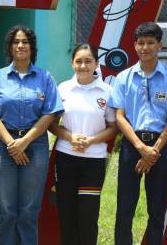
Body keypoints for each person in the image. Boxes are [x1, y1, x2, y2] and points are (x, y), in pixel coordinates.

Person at [0, 25, 63, 245]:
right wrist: (11, 143)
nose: (21, 46)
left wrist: (24, 142)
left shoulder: (45, 78)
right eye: (16, 42)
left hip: (35, 146)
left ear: (32, 47)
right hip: (3, 146)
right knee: (6, 208)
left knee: (29, 208)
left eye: (25, 41)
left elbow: (50, 113)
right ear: (10, 47)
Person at [107, 22, 167, 245]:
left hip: (159, 148)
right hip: (132, 146)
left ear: (159, 45)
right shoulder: (124, 77)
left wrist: (153, 151)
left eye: (150, 43)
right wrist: (141, 149)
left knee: (157, 208)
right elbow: (120, 117)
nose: (145, 47)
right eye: (141, 43)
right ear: (134, 46)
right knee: (125, 207)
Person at [49, 43, 117, 245]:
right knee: (67, 214)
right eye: (78, 61)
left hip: (93, 161)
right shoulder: (63, 88)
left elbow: (114, 127)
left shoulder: (107, 91)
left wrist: (91, 141)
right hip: (65, 158)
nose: (83, 66)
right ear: (72, 63)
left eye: (88, 61)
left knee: (88, 216)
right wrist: (70, 138)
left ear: (96, 63)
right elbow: (51, 124)